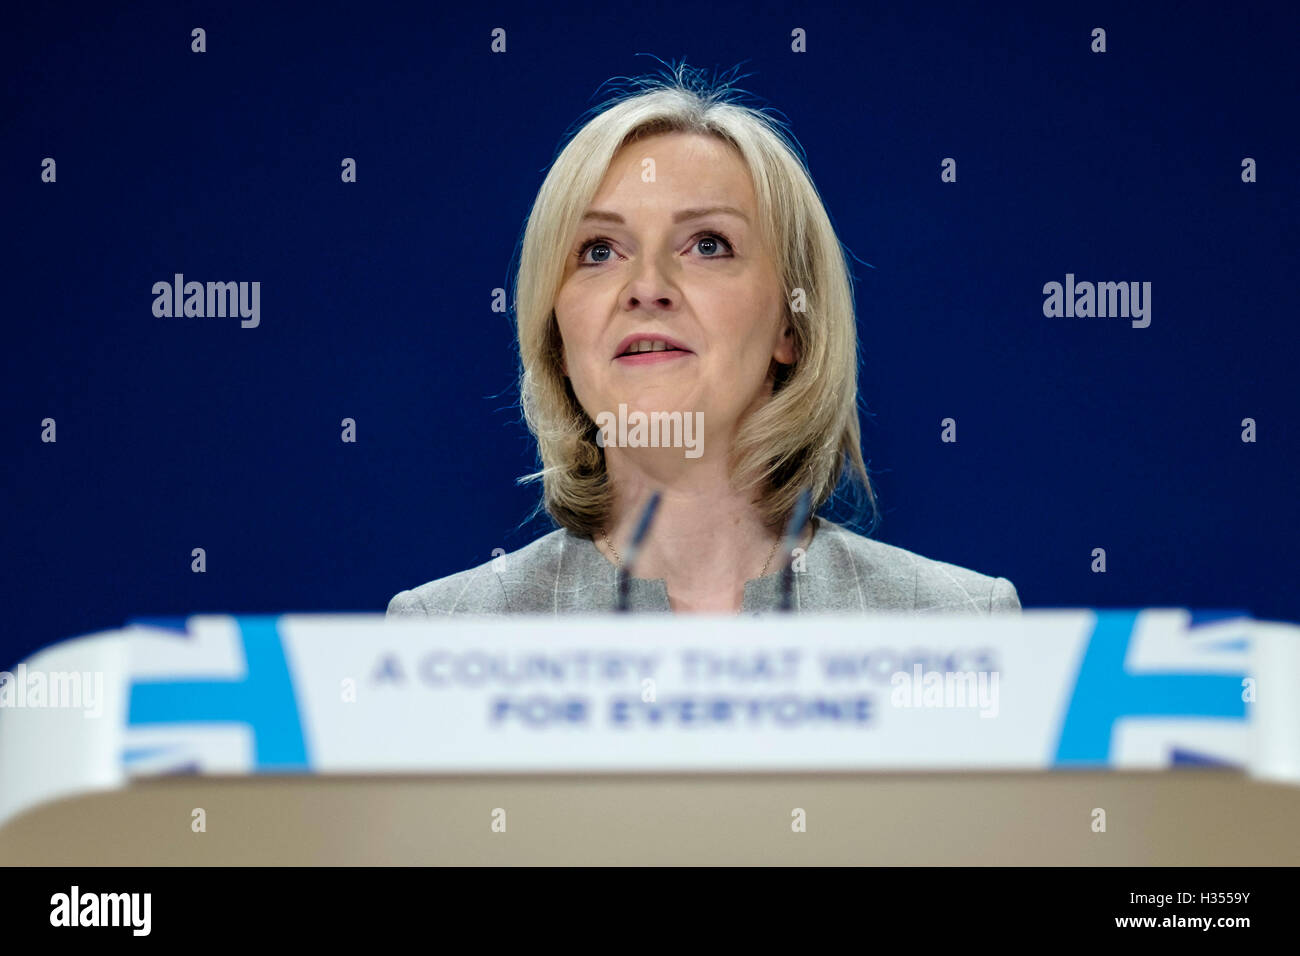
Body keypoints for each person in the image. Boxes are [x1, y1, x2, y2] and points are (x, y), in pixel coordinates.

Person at [388, 65, 1021, 617]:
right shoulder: (444, 632)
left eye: (708, 245)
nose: (647, 288)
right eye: (600, 250)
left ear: (791, 326)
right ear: (556, 333)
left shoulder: (960, 624)